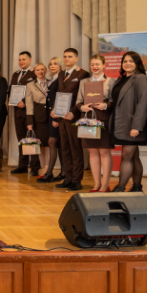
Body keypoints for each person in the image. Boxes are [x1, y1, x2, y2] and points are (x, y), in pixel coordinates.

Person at [108, 51, 147, 193]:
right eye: (125, 61)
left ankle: (120, 187)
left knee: (126, 155)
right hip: (121, 124)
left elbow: (143, 103)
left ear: (137, 64)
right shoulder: (120, 80)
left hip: (133, 125)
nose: (127, 64)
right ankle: (137, 187)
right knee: (134, 156)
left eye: (131, 61)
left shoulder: (140, 78)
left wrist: (137, 126)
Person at [76, 54, 115, 193]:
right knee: (92, 152)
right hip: (88, 119)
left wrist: (106, 105)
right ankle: (97, 184)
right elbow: (78, 101)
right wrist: (82, 107)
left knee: (104, 151)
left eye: (97, 64)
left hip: (103, 119)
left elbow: (115, 101)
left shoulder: (110, 81)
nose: (95, 67)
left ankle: (105, 185)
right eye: (92, 64)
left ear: (104, 65)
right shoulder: (84, 81)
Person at [53, 48, 90, 191]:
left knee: (75, 149)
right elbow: (59, 93)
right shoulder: (61, 73)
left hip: (74, 117)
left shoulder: (83, 74)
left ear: (76, 59)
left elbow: (83, 97)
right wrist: (55, 109)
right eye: (65, 56)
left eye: (70, 56)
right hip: (62, 117)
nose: (66, 59)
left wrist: (73, 112)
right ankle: (67, 178)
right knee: (65, 149)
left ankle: (76, 180)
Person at [9, 51, 40, 175]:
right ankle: (22, 165)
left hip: (30, 112)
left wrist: (24, 102)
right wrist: (10, 99)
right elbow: (11, 90)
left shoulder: (34, 73)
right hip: (18, 112)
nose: (21, 61)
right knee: (21, 139)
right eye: (20, 59)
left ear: (30, 60)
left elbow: (37, 92)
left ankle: (34, 166)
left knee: (31, 138)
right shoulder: (16, 74)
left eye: (24, 59)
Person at [38, 57, 65, 183]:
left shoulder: (61, 79)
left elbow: (60, 98)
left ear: (60, 66)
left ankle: (49, 173)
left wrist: (57, 117)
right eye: (50, 64)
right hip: (51, 115)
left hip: (56, 115)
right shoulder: (52, 79)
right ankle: (63, 172)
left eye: (55, 64)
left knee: (52, 142)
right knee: (58, 144)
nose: (52, 66)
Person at [25, 63, 52, 177]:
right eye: (38, 70)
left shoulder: (51, 82)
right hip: (38, 118)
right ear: (34, 72)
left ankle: (47, 170)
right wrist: (29, 122)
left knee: (49, 145)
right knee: (40, 145)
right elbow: (29, 104)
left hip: (50, 117)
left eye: (42, 69)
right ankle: (43, 169)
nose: (40, 72)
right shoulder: (30, 85)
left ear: (46, 70)